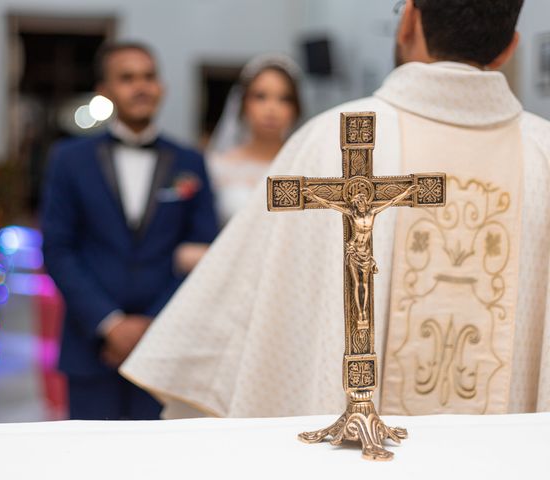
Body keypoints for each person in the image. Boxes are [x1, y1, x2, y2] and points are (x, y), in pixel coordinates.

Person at [122, 0, 550, 418]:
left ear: (409, 22)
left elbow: (235, 327)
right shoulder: (543, 155)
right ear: (510, 46)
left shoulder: (334, 140)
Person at [41, 42, 218, 420]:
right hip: (90, 343)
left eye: (149, 76)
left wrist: (152, 323)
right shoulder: (69, 160)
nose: (141, 86)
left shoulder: (190, 162)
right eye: (127, 77)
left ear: (162, 87)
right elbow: (58, 249)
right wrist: (110, 323)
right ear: (104, 90)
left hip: (165, 346)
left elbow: (204, 252)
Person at [207, 54, 302, 225]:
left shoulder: (306, 165)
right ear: (243, 103)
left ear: (296, 108)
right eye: (260, 96)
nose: (271, 109)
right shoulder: (218, 166)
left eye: (284, 98)